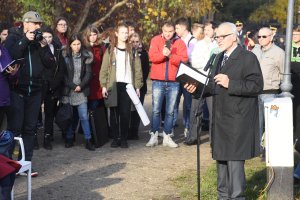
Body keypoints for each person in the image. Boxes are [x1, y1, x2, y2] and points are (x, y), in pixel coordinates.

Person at [185, 22, 263, 199]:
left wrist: (231, 83)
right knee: (221, 167)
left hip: (237, 122)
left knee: (234, 170)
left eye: (222, 36)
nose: (218, 40)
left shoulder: (247, 57)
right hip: (219, 121)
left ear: (234, 36)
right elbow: (213, 85)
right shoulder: (218, 57)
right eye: (216, 37)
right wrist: (196, 89)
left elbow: (257, 85)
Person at [5, 11, 56, 176]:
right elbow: (11, 56)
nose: (38, 27)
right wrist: (26, 39)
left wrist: (42, 46)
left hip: (35, 90)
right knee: (14, 129)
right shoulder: (13, 37)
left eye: (40, 24)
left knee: (30, 129)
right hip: (17, 90)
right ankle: (9, 166)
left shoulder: (40, 41)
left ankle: (26, 164)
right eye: (36, 24)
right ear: (26, 23)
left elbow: (51, 64)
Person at [100, 22, 143, 148]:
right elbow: (104, 69)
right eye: (122, 32)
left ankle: (124, 138)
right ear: (117, 34)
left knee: (125, 113)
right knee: (113, 113)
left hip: (128, 86)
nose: (124, 35)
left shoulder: (132, 50)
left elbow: (137, 69)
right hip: (113, 85)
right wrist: (103, 85)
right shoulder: (110, 49)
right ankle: (115, 138)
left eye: (126, 32)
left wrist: (137, 86)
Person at [146, 21, 188, 148]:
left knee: (170, 111)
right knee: (155, 110)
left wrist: (171, 55)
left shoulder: (180, 42)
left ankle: (167, 136)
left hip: (174, 81)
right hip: (158, 80)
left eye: (170, 32)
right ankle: (153, 135)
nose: (168, 34)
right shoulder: (155, 40)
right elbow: (152, 57)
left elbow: (184, 60)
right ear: (162, 30)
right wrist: (162, 55)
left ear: (174, 31)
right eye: (166, 31)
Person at [252, 27, 284, 154]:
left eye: (264, 37)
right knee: (257, 122)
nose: (260, 39)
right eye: (259, 37)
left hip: (271, 93)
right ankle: (258, 148)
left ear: (271, 37)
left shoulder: (279, 53)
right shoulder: (254, 50)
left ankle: (272, 149)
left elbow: (283, 74)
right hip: (255, 92)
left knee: (271, 123)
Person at [187, 21, 218, 145]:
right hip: (199, 80)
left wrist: (208, 62)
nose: (206, 32)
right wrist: (208, 61)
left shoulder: (217, 45)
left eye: (209, 29)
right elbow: (194, 62)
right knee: (196, 110)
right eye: (205, 29)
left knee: (213, 111)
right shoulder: (198, 44)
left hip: (212, 81)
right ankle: (193, 137)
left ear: (214, 30)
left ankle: (213, 140)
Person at [62, 33, 95, 151]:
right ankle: (70, 137)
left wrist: (80, 86)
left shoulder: (86, 56)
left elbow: (88, 73)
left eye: (78, 44)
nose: (77, 46)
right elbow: (64, 75)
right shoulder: (65, 57)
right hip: (69, 91)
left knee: (83, 117)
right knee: (71, 117)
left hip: (81, 91)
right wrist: (73, 86)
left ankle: (88, 140)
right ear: (70, 45)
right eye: (74, 44)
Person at [40, 26, 66, 150]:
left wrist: (54, 85)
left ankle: (47, 137)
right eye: (45, 37)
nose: (47, 39)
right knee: (35, 114)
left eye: (49, 36)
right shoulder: (36, 48)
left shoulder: (57, 49)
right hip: (39, 85)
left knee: (49, 113)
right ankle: (33, 138)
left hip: (53, 86)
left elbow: (61, 69)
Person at [174, 17, 197, 136]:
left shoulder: (192, 41)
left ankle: (187, 126)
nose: (175, 30)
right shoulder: (175, 40)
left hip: (187, 74)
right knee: (175, 100)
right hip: (176, 73)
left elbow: (189, 57)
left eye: (177, 28)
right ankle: (171, 127)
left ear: (183, 28)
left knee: (188, 102)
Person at [128, 32, 150, 140]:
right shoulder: (127, 54)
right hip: (128, 85)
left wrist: (138, 84)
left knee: (137, 108)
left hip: (140, 86)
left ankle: (134, 130)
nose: (135, 44)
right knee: (128, 109)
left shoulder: (144, 54)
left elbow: (145, 71)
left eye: (137, 42)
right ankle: (127, 130)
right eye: (133, 42)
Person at [82, 25, 106, 110]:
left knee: (96, 108)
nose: (92, 37)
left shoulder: (102, 48)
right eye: (90, 35)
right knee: (85, 112)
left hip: (98, 82)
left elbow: (105, 65)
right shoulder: (83, 47)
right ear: (86, 36)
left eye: (94, 34)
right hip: (86, 83)